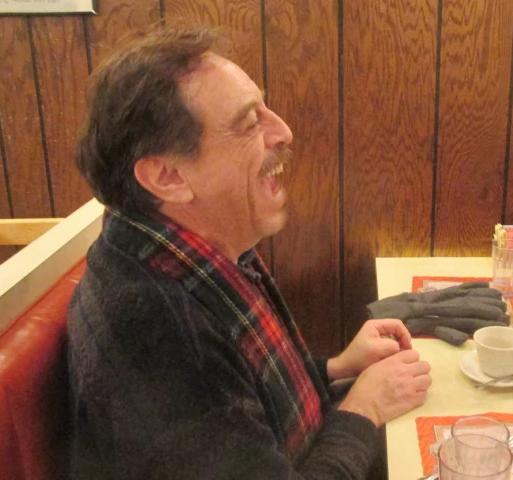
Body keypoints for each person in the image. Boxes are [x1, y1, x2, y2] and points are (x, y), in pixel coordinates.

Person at [67, 26, 431, 479]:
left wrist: (334, 368)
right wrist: (363, 407)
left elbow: (237, 410)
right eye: (247, 122)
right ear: (168, 177)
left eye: (265, 107)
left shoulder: (177, 252)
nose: (282, 131)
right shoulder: (158, 329)